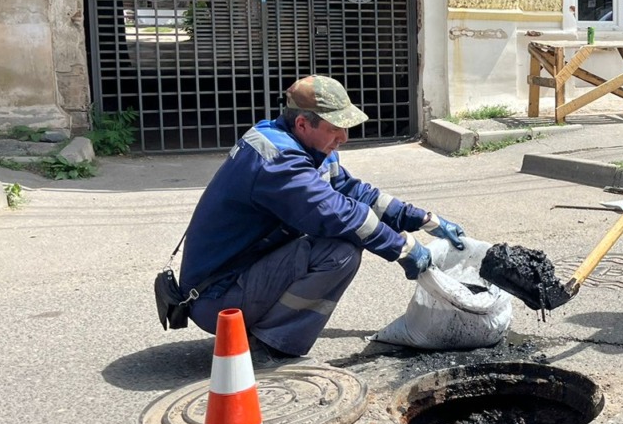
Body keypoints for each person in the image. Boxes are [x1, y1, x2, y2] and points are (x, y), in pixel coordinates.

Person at [177, 76, 466, 367]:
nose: (343, 137)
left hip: (237, 276)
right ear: (303, 124)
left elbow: (354, 192)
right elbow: (336, 213)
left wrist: (423, 219)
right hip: (216, 297)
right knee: (339, 253)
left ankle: (268, 332)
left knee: (341, 242)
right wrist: (402, 247)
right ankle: (270, 347)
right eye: (335, 128)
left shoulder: (302, 145)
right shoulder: (279, 161)